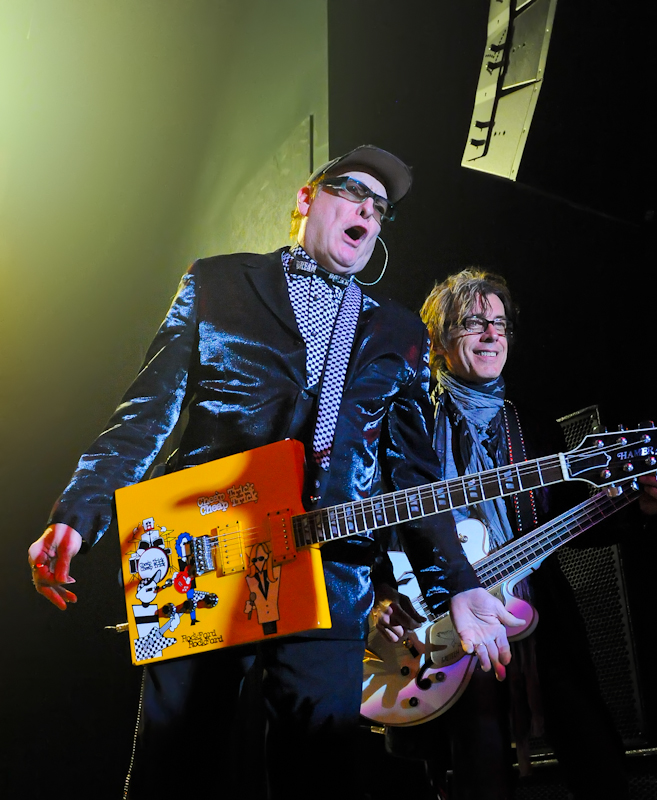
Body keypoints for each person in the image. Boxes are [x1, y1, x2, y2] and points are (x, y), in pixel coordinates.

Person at [26, 149, 523, 799]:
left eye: (380, 210)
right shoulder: (216, 285)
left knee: (319, 772)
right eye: (351, 193)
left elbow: (416, 476)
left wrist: (457, 582)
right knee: (175, 760)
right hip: (202, 551)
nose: (367, 214)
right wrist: (77, 514)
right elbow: (144, 418)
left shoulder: (396, 330)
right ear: (305, 200)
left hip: (329, 571)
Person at [374, 268, 657, 800]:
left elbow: (563, 522)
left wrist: (640, 506)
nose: (493, 334)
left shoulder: (529, 424)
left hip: (536, 606)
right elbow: (385, 520)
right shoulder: (409, 423)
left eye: (500, 323)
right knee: (479, 768)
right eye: (474, 322)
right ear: (439, 339)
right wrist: (383, 595)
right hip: (436, 621)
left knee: (597, 756)